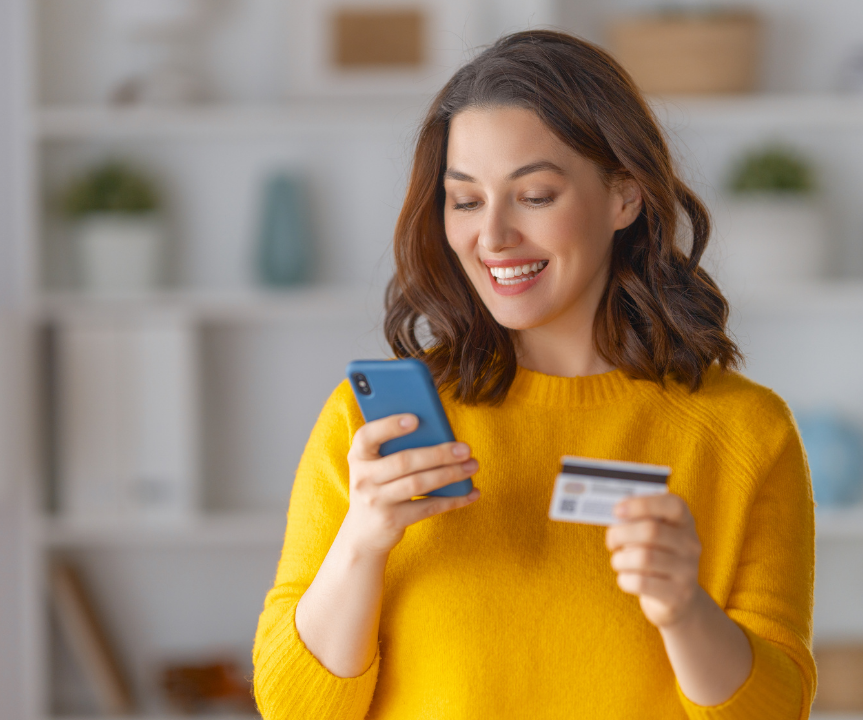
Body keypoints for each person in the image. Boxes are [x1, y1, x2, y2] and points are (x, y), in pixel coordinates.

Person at [253, 30, 815, 719]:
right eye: (465, 200)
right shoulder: (370, 428)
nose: (492, 236)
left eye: (535, 195)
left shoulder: (744, 434)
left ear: (625, 198)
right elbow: (290, 708)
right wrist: (362, 544)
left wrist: (683, 609)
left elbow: (777, 710)